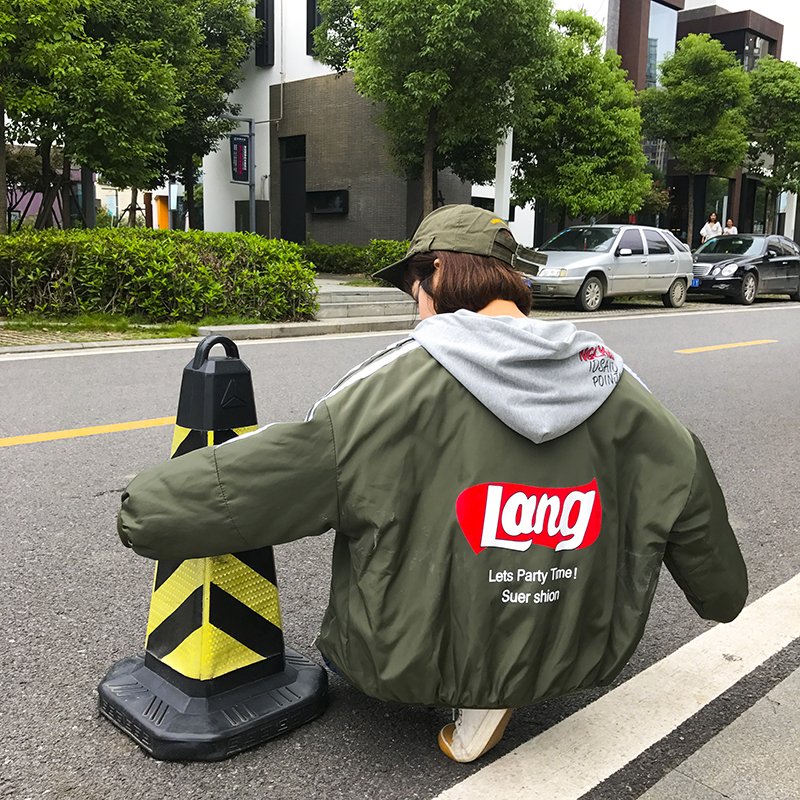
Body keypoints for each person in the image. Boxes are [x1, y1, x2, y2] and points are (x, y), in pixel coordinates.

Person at [117, 204, 748, 764]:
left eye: (412, 288)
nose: (413, 305)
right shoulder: (618, 385)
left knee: (386, 596)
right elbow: (689, 487)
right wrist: (720, 596)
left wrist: (141, 509)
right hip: (577, 647)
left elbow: (274, 474)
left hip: (406, 658)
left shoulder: (390, 389)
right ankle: (502, 682)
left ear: (438, 274)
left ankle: (475, 684)